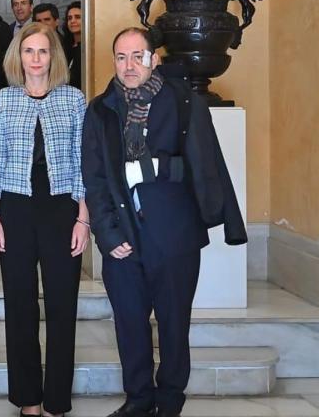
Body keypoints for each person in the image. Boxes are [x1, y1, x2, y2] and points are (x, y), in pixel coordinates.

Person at [82, 28, 247, 417]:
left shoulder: (183, 101)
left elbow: (200, 165)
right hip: (123, 237)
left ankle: (170, 399)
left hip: (174, 237)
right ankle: (138, 399)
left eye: (137, 56)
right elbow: (95, 177)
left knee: (174, 324)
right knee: (129, 323)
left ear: (153, 58)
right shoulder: (100, 110)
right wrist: (107, 234)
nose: (129, 65)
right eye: (121, 57)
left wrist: (151, 168)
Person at [0, 22, 89, 417]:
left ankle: (57, 401)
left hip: (62, 208)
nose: (35, 59)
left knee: (63, 307)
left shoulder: (74, 100)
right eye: (29, 51)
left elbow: (84, 162)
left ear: (53, 57)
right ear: (18, 57)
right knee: (20, 306)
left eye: (43, 51)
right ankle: (29, 399)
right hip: (16, 207)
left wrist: (83, 219)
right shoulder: (4, 101)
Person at [61, 2, 83, 89]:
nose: (72, 21)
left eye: (77, 17)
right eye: (69, 18)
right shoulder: (65, 46)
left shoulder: (89, 48)